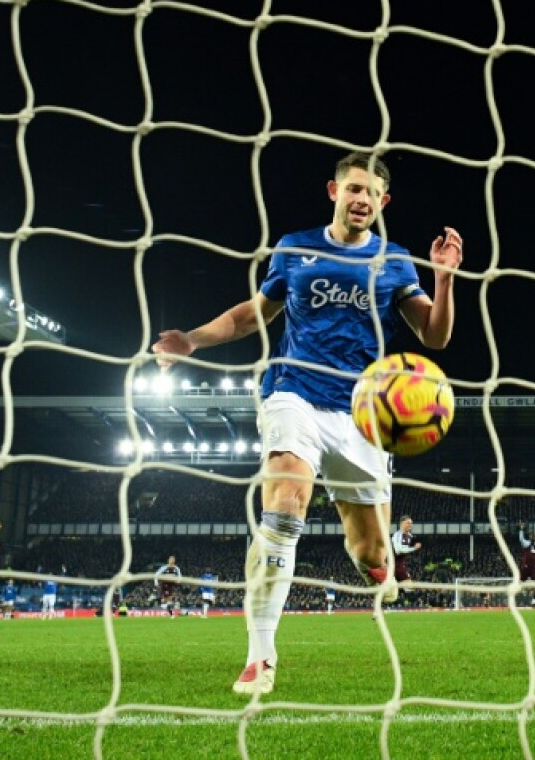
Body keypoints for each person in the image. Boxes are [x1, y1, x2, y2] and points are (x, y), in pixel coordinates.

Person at [152, 151, 462, 696]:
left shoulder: (394, 261)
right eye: (353, 189)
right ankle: (260, 657)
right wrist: (193, 339)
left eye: (372, 193)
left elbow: (433, 337)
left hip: (363, 413)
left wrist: (444, 280)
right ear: (334, 192)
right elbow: (252, 314)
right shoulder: (296, 248)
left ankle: (378, 570)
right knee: (286, 498)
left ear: (383, 203)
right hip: (293, 394)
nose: (361, 199)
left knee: (368, 548)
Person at [392, 515, 422, 585]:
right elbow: (398, 550)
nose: (410, 525)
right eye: (408, 523)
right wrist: (414, 548)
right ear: (401, 524)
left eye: (411, 523)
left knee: (404, 587)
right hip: (392, 564)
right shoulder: (397, 535)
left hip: (400, 564)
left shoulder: (410, 536)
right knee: (408, 586)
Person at [517, 522, 535, 608]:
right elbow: (521, 539)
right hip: (526, 567)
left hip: (533, 567)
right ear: (530, 537)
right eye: (532, 535)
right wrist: (521, 529)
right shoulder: (527, 543)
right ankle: (512, 601)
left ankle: (534, 601)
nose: (534, 537)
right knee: (519, 584)